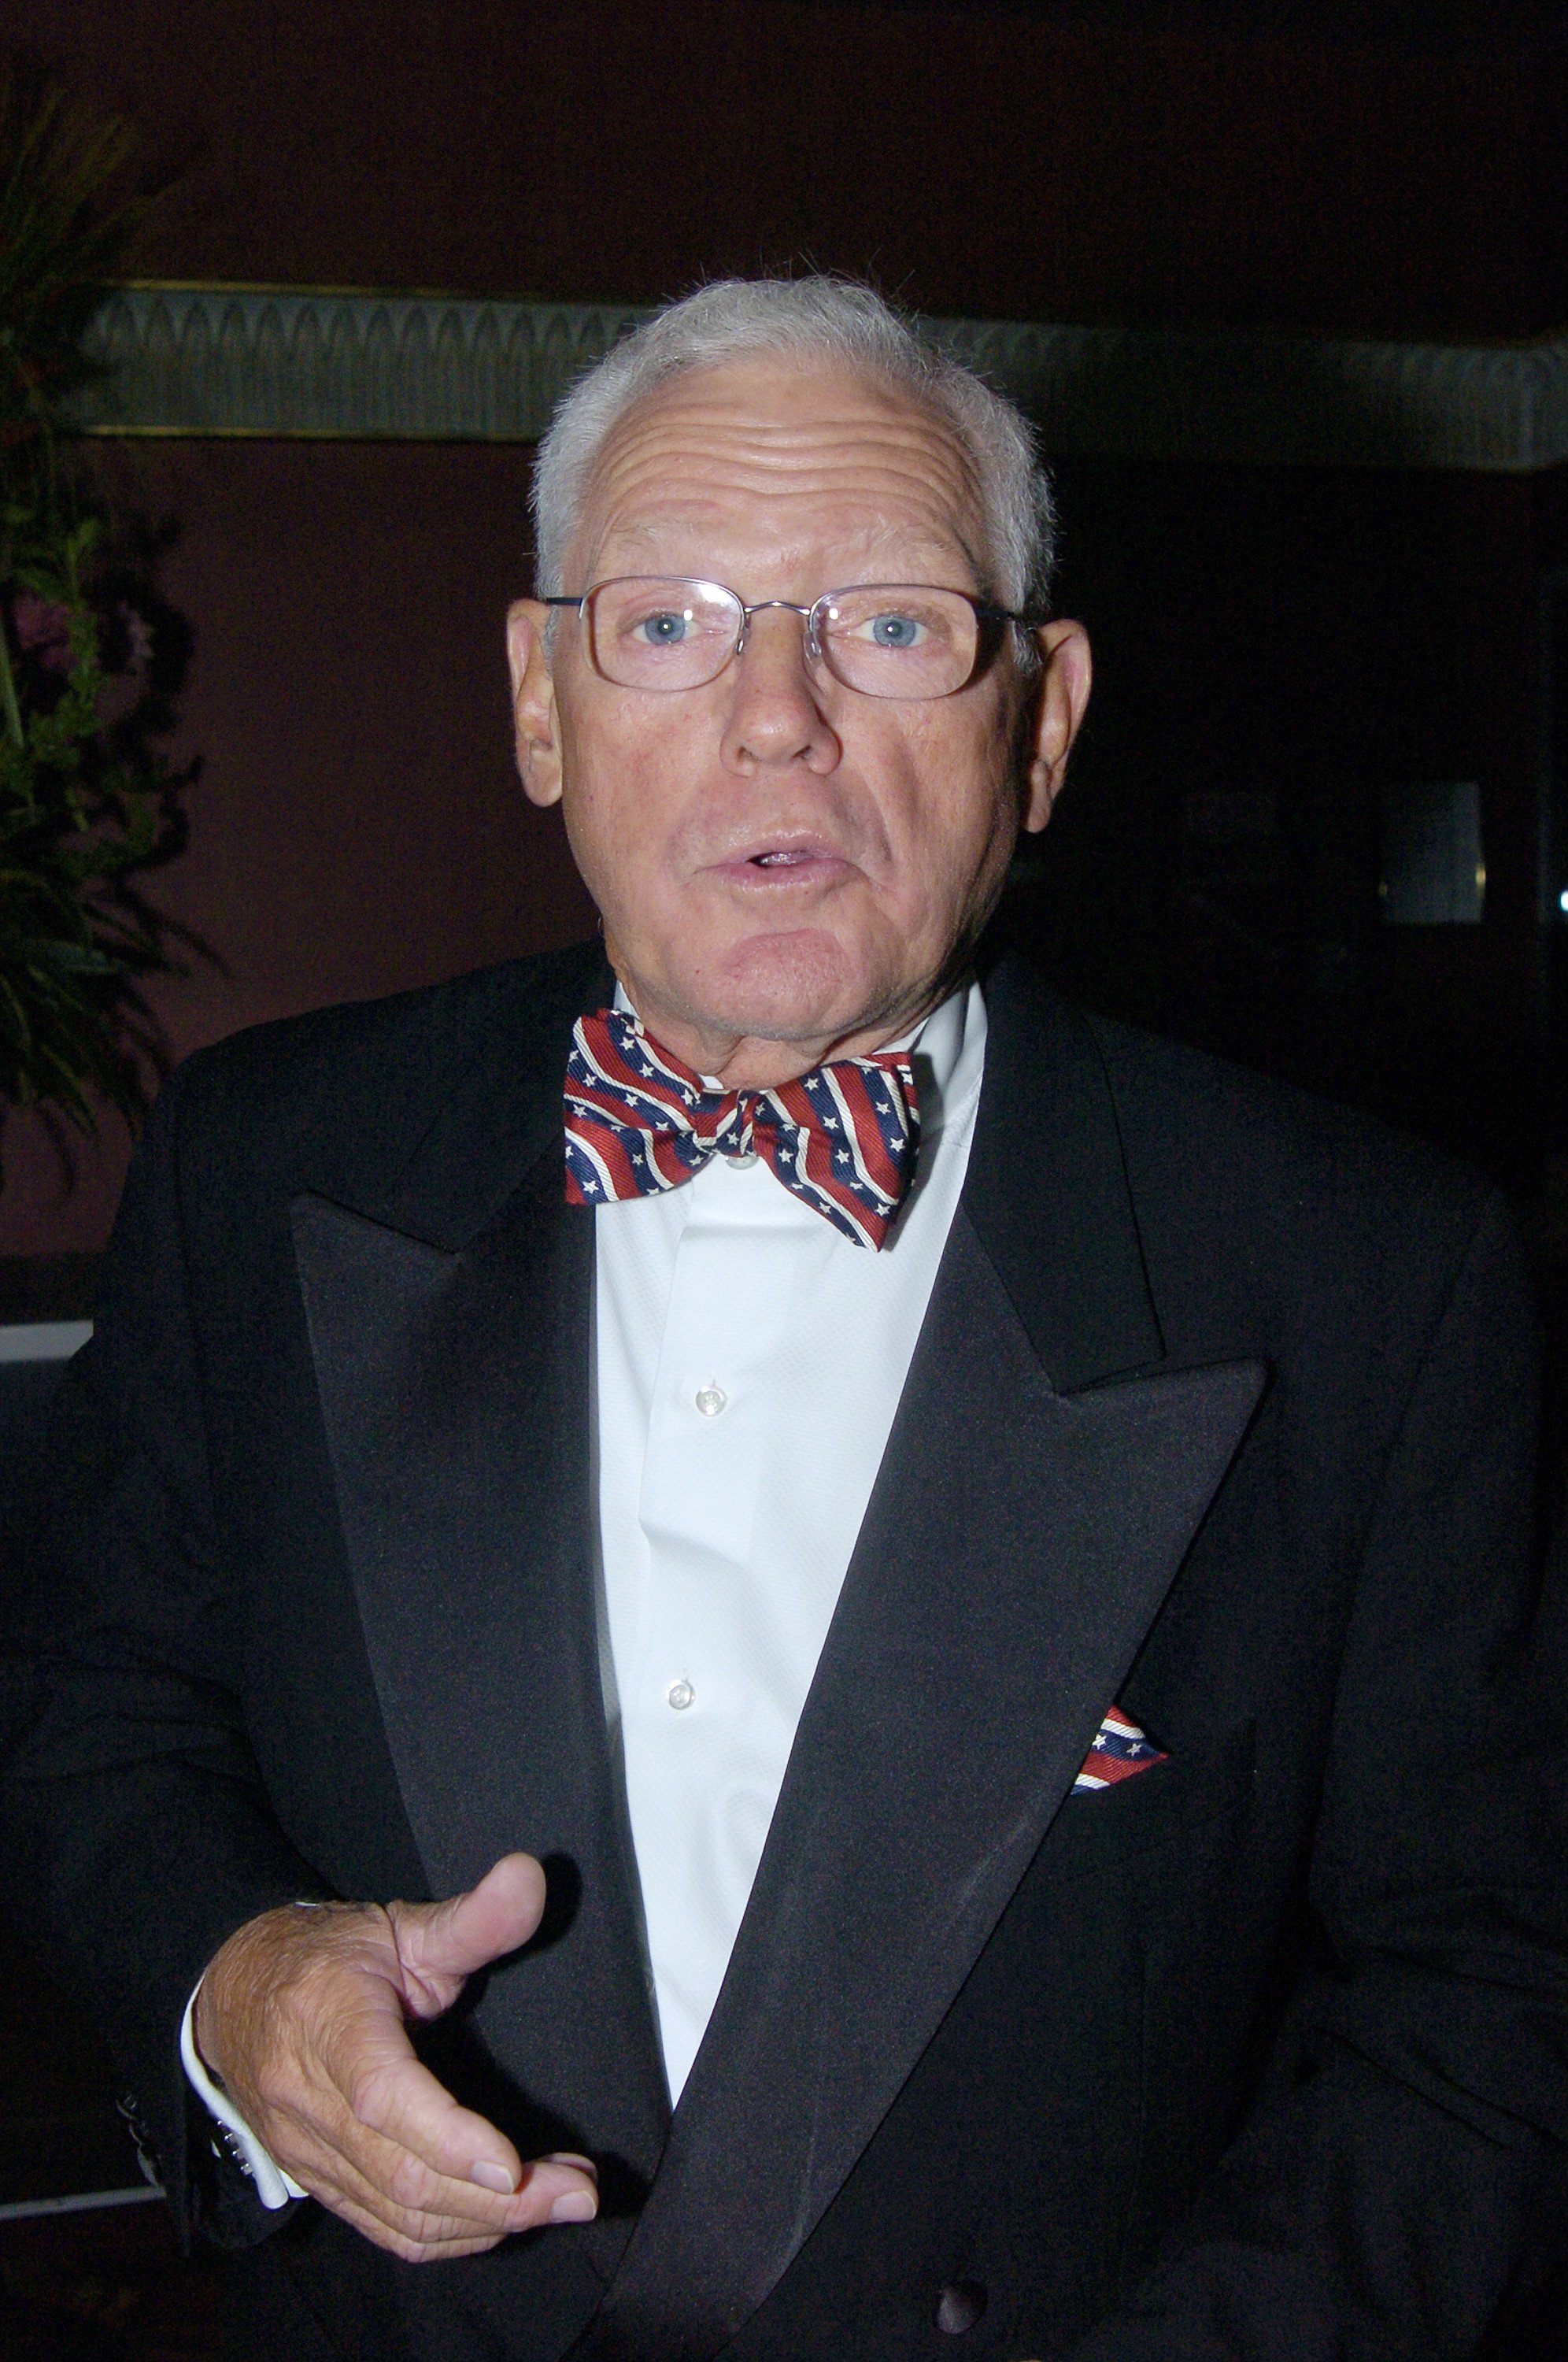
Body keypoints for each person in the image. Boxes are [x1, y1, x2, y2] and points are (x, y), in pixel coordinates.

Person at [2, 277, 1563, 2362]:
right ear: (539, 700)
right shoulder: (256, 1164)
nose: (774, 716)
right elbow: (83, 1701)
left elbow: (1492, 1987)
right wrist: (231, 1976)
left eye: (893, 624)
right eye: (669, 623)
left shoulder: (1375, 1277)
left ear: (1048, 718)